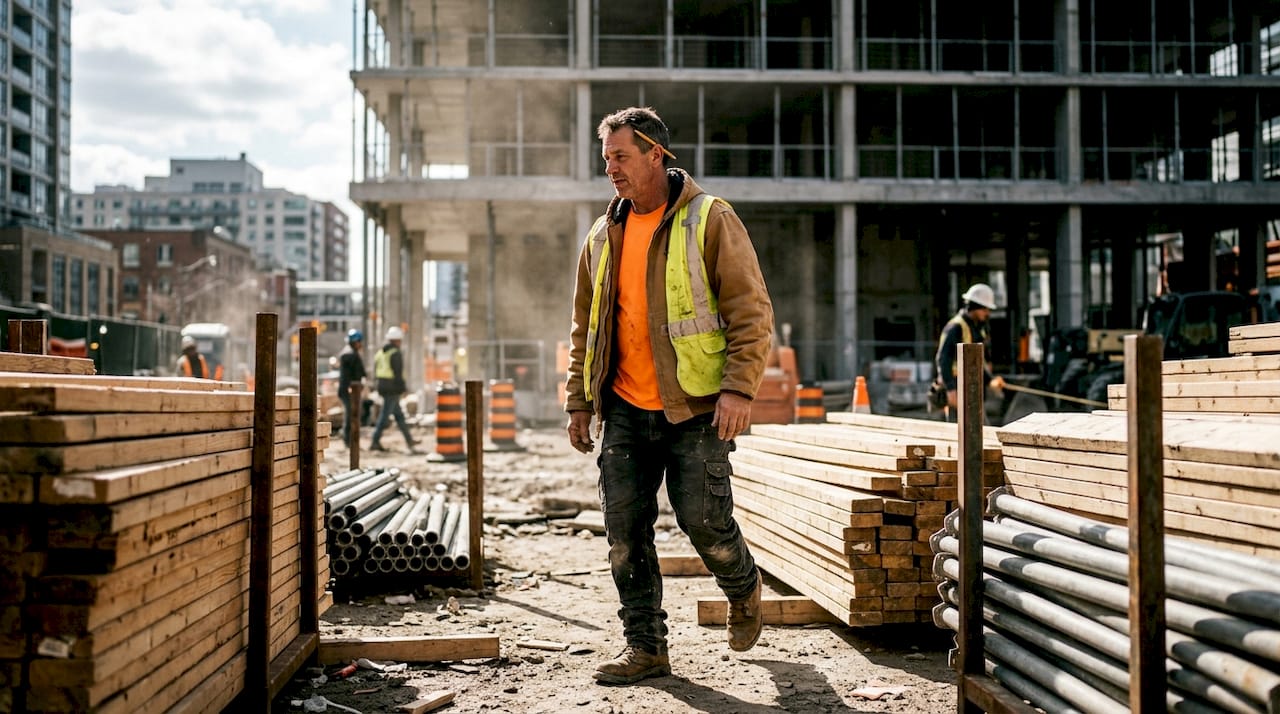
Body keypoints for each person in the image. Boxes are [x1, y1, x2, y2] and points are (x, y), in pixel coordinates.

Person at [564, 106, 774, 685]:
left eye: (621, 157)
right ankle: (647, 648)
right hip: (626, 408)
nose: (611, 169)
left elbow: (750, 312)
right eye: (606, 158)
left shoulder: (710, 219)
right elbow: (586, 325)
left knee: (704, 521)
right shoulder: (603, 234)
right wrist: (579, 401)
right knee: (624, 534)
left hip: (697, 406)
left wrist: (738, 389)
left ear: (656, 153)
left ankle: (744, 587)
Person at [934, 283, 1006, 414]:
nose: (987, 313)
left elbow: (976, 362)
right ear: (975, 307)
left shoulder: (977, 328)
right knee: (958, 430)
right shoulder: (955, 327)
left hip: (971, 387)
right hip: (956, 386)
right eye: (985, 309)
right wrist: (951, 390)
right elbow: (943, 359)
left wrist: (990, 380)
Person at [369, 326, 416, 452]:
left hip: (382, 386)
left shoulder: (380, 352)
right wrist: (403, 388)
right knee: (384, 416)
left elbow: (376, 371)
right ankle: (374, 440)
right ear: (397, 340)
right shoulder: (395, 353)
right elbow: (398, 373)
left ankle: (409, 440)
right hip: (392, 388)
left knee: (399, 416)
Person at [338, 329, 367, 447]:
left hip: (350, 389)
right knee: (351, 415)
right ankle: (347, 439)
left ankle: (349, 438)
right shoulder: (349, 355)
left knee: (351, 414)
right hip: (349, 390)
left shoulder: (350, 353)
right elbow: (354, 374)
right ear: (356, 342)